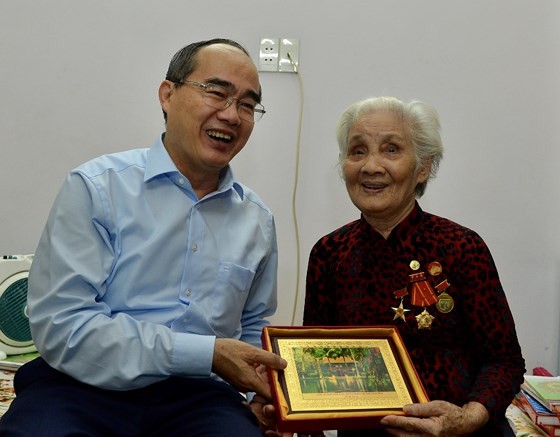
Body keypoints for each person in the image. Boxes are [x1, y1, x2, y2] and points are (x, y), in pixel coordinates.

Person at [0, 38, 288, 436]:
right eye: (217, 93)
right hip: (79, 387)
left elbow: (254, 323)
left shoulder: (257, 220)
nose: (232, 115)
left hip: (200, 400)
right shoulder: (97, 188)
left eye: (247, 104)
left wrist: (263, 395)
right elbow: (64, 325)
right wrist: (205, 353)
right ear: (168, 95)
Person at [303, 96, 525, 436]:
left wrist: (467, 418)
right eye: (357, 151)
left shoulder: (462, 247)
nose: (371, 166)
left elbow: (504, 362)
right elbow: (317, 364)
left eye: (391, 149)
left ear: (423, 166)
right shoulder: (329, 253)